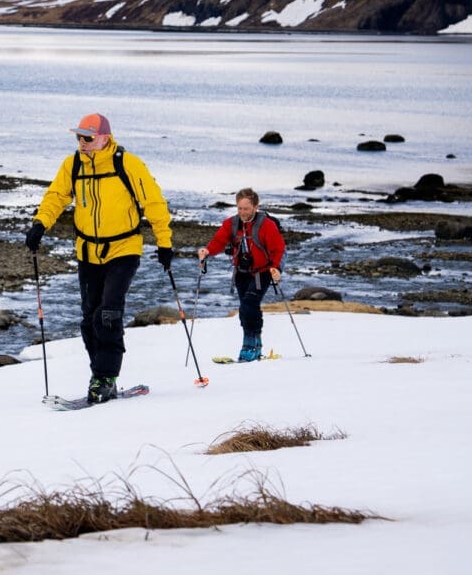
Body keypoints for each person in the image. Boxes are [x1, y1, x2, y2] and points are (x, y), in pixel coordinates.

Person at [25, 113, 174, 404]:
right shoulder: (73, 165)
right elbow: (56, 196)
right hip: (87, 251)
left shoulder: (127, 163)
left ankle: (106, 378)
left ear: (104, 137)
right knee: (89, 318)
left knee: (108, 314)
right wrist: (40, 224)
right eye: (78, 137)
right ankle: (100, 377)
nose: (81, 142)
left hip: (124, 249)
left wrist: (164, 243)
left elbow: (153, 202)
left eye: (87, 137)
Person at [198, 188, 284, 362]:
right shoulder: (232, 223)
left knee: (248, 305)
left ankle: (250, 347)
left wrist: (276, 269)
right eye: (239, 208)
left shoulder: (267, 225)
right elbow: (219, 241)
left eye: (246, 208)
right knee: (246, 310)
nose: (242, 212)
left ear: (255, 207)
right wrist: (207, 251)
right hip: (241, 273)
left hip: (263, 272)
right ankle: (254, 344)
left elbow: (278, 248)